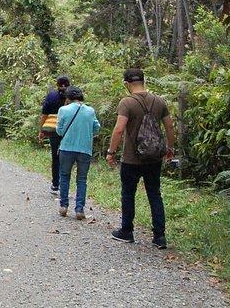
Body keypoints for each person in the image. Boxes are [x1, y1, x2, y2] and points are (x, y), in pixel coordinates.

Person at [105, 68, 176, 249]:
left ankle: (127, 231)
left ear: (127, 84)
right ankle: (159, 237)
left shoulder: (127, 102)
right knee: (155, 194)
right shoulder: (159, 101)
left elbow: (119, 129)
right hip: (154, 159)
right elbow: (169, 127)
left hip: (131, 159)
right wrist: (170, 148)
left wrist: (111, 152)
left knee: (128, 194)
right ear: (144, 81)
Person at [56, 86, 100, 219]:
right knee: (82, 179)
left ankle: (64, 206)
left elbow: (59, 131)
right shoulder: (90, 111)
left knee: (64, 176)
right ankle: (79, 209)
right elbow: (96, 128)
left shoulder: (63, 110)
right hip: (85, 149)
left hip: (67, 148)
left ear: (68, 98)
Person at [38, 75, 71, 194]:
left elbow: (44, 114)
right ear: (69, 85)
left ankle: (55, 184)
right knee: (67, 157)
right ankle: (64, 183)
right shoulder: (72, 96)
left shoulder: (51, 96)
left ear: (57, 85)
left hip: (54, 130)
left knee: (55, 157)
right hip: (68, 130)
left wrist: (41, 130)